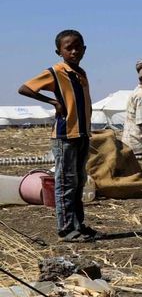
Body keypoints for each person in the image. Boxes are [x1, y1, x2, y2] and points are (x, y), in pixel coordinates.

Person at [18, 30, 96, 242]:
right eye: (68, 48)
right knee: (65, 182)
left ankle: (78, 224)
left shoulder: (80, 72)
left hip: (81, 134)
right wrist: (52, 102)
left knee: (79, 181)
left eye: (78, 47)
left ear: (84, 49)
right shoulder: (56, 71)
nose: (74, 51)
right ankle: (66, 229)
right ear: (58, 51)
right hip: (65, 136)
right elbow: (25, 88)